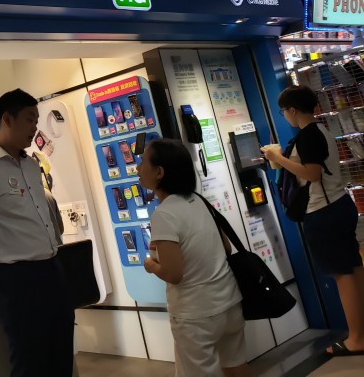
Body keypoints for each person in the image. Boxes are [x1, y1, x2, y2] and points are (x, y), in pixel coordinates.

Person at [0, 88, 73, 377]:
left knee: (61, 355)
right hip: (18, 279)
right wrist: (0, 276)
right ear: (7, 119)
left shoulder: (30, 164)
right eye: (29, 120)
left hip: (52, 269)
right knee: (30, 363)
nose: (34, 127)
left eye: (36, 120)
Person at [261, 85, 364, 356]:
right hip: (339, 205)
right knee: (353, 270)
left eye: (284, 111)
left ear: (293, 110)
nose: (285, 116)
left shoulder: (308, 136)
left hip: (323, 212)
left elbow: (312, 174)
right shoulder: (321, 130)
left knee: (343, 276)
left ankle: (356, 339)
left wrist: (277, 158)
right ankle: (361, 333)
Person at [140, 139, 249, 377]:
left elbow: (173, 274)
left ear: (159, 172)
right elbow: (226, 248)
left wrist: (150, 265)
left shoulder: (164, 214)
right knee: (236, 366)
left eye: (143, 162)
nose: (138, 168)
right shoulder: (199, 200)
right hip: (229, 300)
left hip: (195, 314)